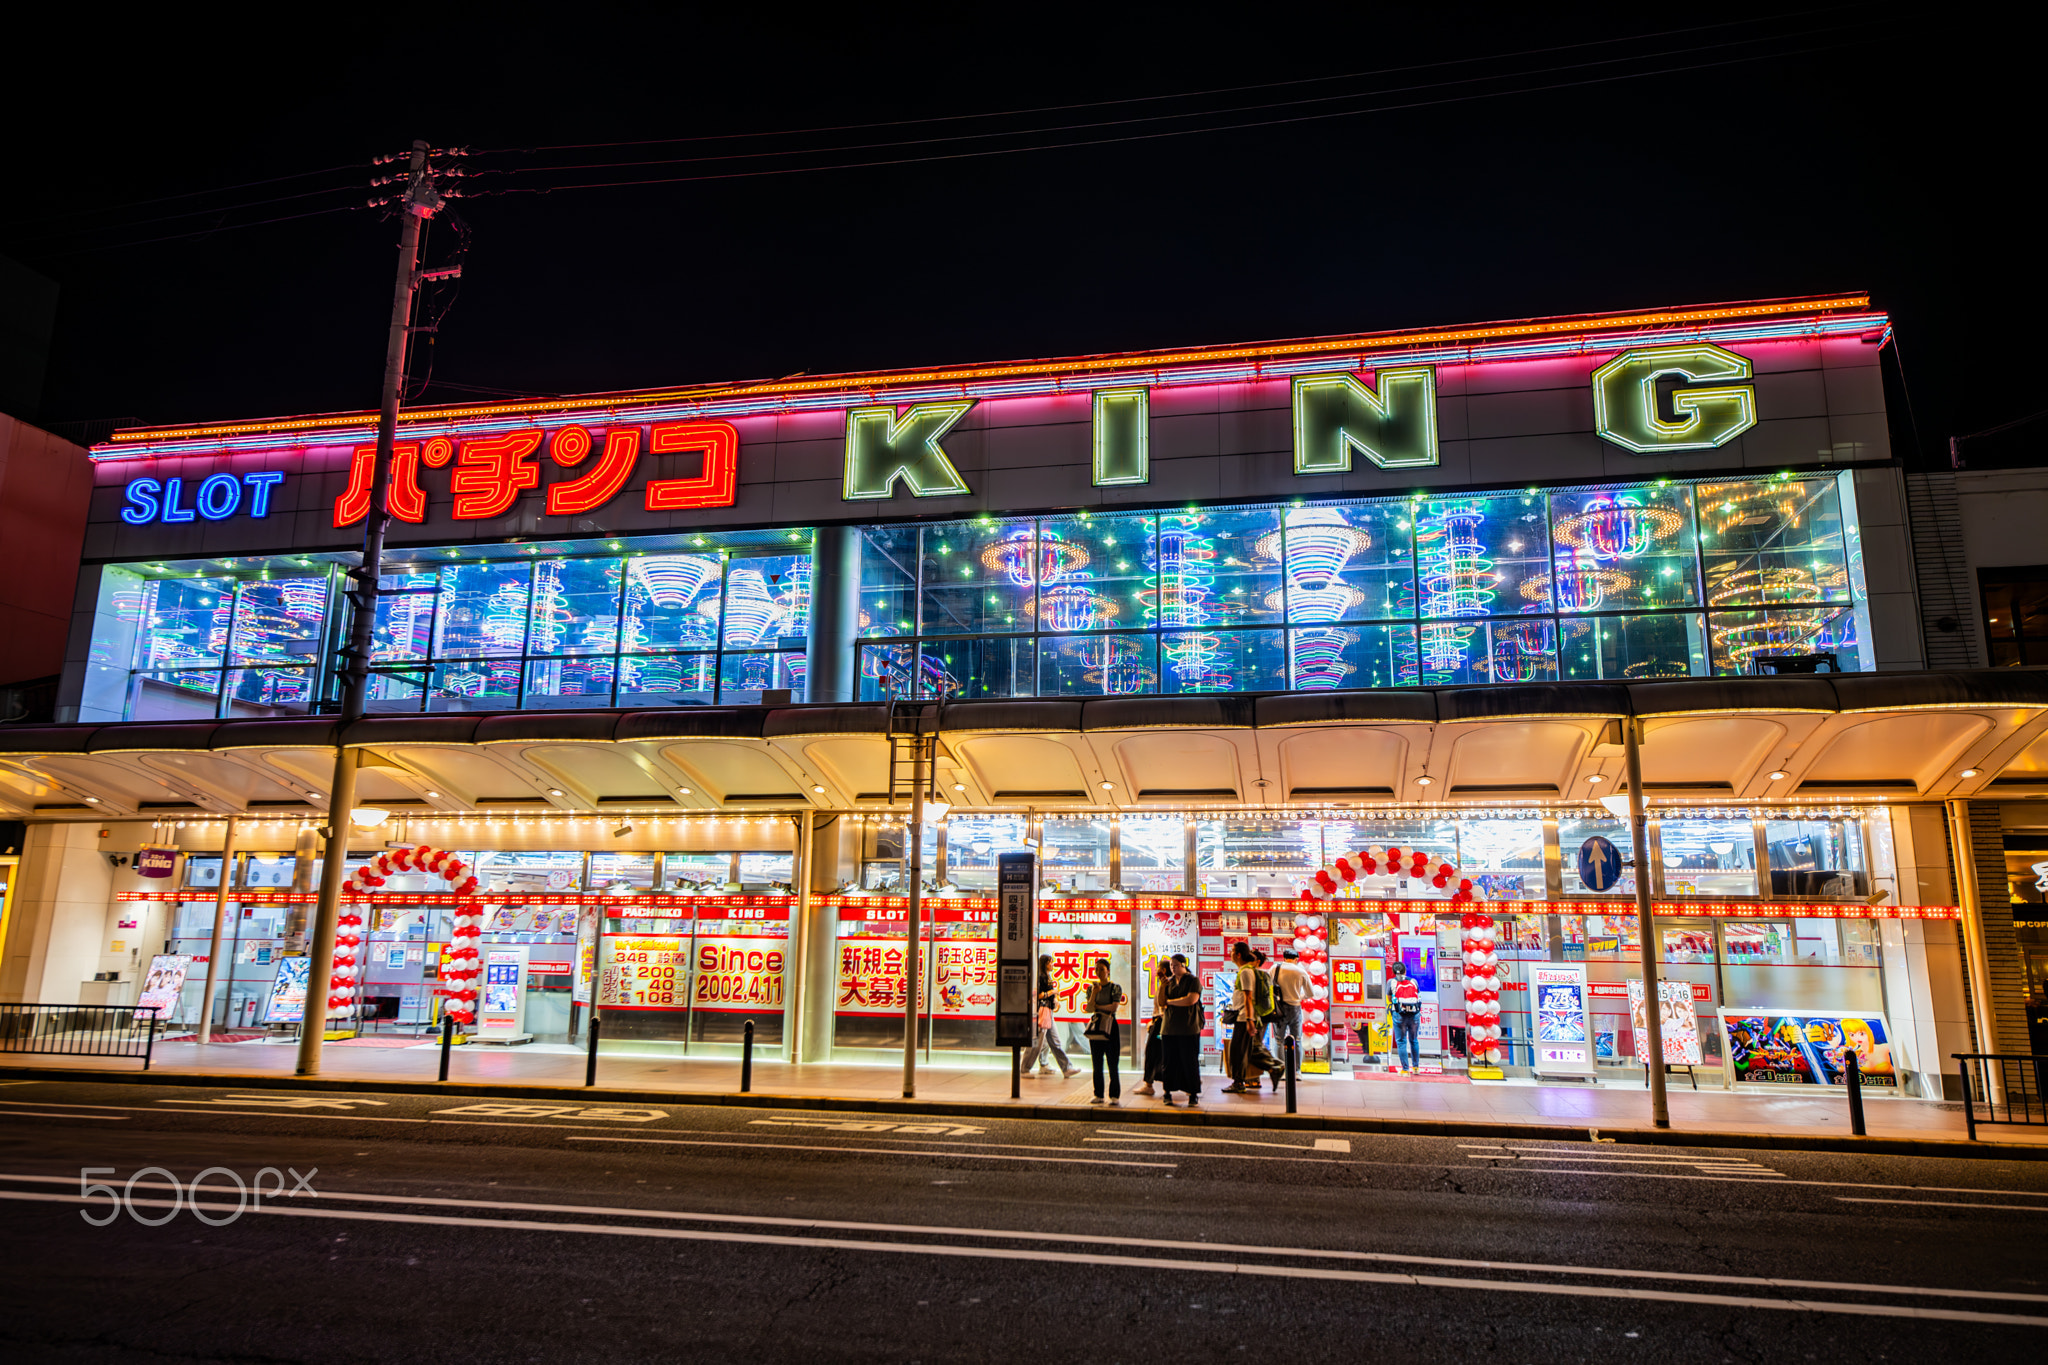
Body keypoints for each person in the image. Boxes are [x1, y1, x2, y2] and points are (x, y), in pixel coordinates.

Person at [1223, 942, 1281, 1094]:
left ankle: (1241, 1081)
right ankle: (1272, 1068)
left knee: (1238, 1051)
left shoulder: (1246, 972)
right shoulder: (1246, 971)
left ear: (1239, 954)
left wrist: (1249, 1020)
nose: (1230, 953)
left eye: (1232, 950)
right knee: (1246, 1050)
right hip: (1245, 1017)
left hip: (1245, 1017)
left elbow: (1249, 997)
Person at [1020, 954, 1078, 1078]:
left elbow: (1049, 992)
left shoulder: (1047, 976)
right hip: (1042, 1012)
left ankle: (1066, 1068)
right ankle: (1025, 1068)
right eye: (1050, 962)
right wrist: (1051, 993)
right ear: (1044, 963)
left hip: (1048, 1012)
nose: (1052, 965)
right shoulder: (1040, 977)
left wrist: (1055, 998)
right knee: (1037, 1042)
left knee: (1056, 1042)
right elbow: (1038, 995)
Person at [1158, 954, 1203, 1106]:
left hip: (1188, 1028)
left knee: (1189, 1062)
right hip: (1169, 1028)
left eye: (1176, 965)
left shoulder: (1192, 980)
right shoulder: (1169, 982)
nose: (1173, 968)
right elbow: (1160, 1002)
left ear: (1183, 965)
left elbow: (1191, 1000)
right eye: (1171, 965)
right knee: (1169, 1062)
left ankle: (1193, 1093)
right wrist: (1162, 986)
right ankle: (1167, 1092)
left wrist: (1170, 1002)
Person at [1083, 959, 1124, 1105]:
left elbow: (1114, 1007)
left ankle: (1114, 1095)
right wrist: (1095, 994)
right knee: (1097, 1062)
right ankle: (1098, 1094)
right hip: (1096, 1027)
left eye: (1101, 969)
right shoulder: (1092, 988)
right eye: (1096, 969)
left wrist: (1097, 1006)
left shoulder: (1115, 988)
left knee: (1113, 1063)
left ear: (1108, 971)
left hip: (1110, 1026)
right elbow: (1089, 1008)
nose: (1098, 972)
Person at [1134, 959, 1172, 1097]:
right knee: (1157, 1054)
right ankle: (1150, 1083)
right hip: (1158, 1023)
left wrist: (1156, 1020)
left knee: (1152, 1053)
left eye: (1158, 968)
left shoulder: (1167, 985)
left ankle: (1149, 1084)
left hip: (1160, 1024)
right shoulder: (1165, 984)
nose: (1156, 971)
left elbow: (1163, 1006)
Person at [1273, 949, 1311, 1068]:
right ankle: (1297, 1071)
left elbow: (1268, 987)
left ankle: (1281, 1069)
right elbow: (1310, 993)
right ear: (1296, 959)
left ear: (1284, 958)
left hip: (1279, 1007)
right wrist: (1300, 997)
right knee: (1297, 1040)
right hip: (1295, 1007)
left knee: (1279, 1041)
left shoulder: (1274, 969)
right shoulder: (1300, 971)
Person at [1388, 960, 1422, 1073]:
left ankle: (1405, 1070)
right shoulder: (1413, 981)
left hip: (1399, 1014)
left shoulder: (1391, 982)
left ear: (1393, 972)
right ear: (1405, 971)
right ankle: (1416, 1068)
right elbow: (1418, 994)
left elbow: (1389, 998)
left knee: (1401, 1041)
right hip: (1414, 1014)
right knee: (1414, 1040)